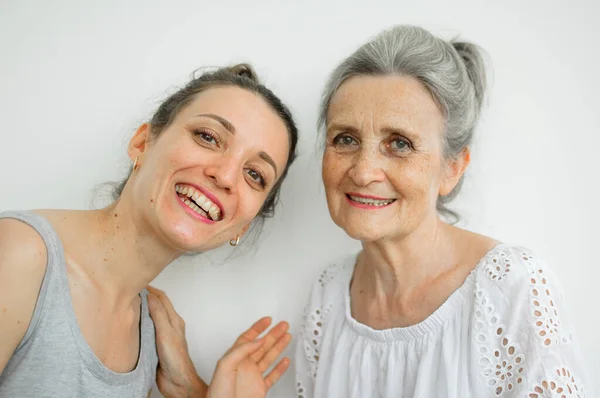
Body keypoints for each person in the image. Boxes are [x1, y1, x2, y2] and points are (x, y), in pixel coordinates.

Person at [293, 25, 589, 397]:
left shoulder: (510, 287)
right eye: (346, 139)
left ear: (452, 168)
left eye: (399, 143)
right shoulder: (330, 294)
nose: (363, 171)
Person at [0, 64, 298, 397]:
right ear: (142, 142)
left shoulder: (149, 336)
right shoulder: (20, 253)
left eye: (255, 174)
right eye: (208, 137)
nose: (226, 176)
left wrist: (191, 390)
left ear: (243, 225)